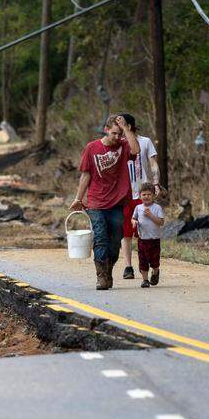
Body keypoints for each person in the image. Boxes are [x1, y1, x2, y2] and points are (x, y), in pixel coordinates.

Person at [71, 114, 141, 289]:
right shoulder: (92, 148)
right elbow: (85, 175)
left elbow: (136, 150)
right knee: (101, 238)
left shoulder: (124, 146)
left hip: (118, 202)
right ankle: (101, 276)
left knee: (115, 241)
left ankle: (108, 270)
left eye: (120, 134)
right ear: (106, 130)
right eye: (114, 133)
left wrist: (126, 129)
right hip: (96, 202)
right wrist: (78, 198)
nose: (117, 137)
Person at [117, 114, 160, 280]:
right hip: (125, 194)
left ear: (129, 125)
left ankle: (150, 264)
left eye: (121, 125)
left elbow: (153, 163)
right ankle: (128, 266)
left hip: (143, 193)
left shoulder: (145, 141)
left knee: (146, 230)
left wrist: (155, 184)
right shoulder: (118, 144)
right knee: (126, 232)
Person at [131, 183, 165, 287]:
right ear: (139, 195)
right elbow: (133, 218)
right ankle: (145, 280)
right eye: (144, 194)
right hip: (142, 239)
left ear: (154, 195)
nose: (146, 197)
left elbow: (161, 222)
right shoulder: (138, 208)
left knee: (154, 260)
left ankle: (155, 272)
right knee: (143, 260)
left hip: (154, 239)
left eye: (149, 194)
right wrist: (134, 222)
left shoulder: (157, 208)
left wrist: (150, 215)